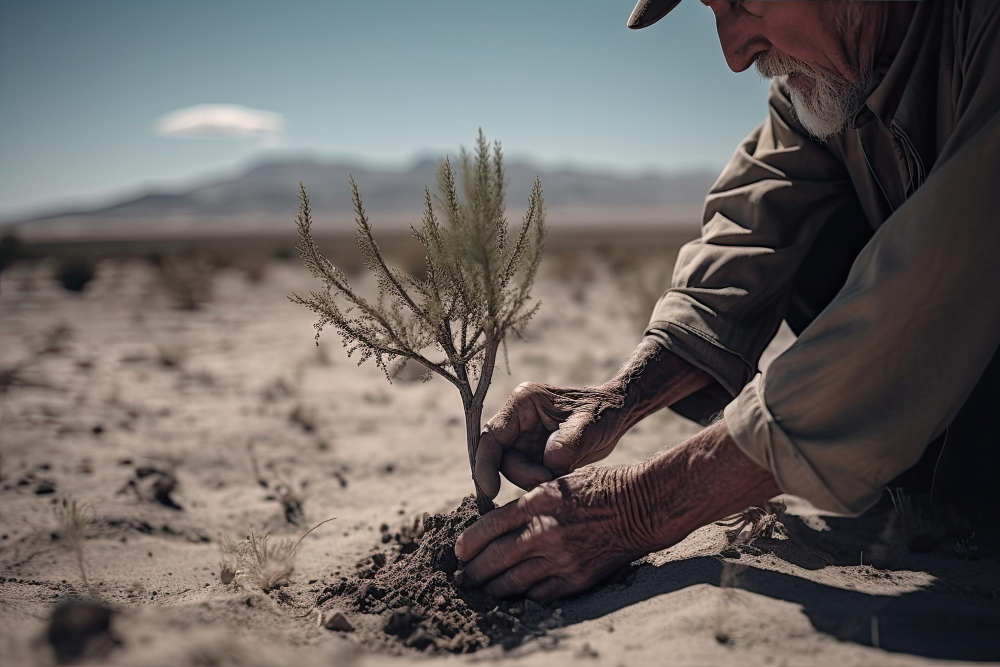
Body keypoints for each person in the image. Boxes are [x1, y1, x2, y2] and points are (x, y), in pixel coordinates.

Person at [455, 0, 1000, 602]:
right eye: (714, 10)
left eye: (743, 2)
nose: (734, 54)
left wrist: (642, 507)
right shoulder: (830, 80)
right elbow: (751, 226)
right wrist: (616, 400)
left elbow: (937, 284)